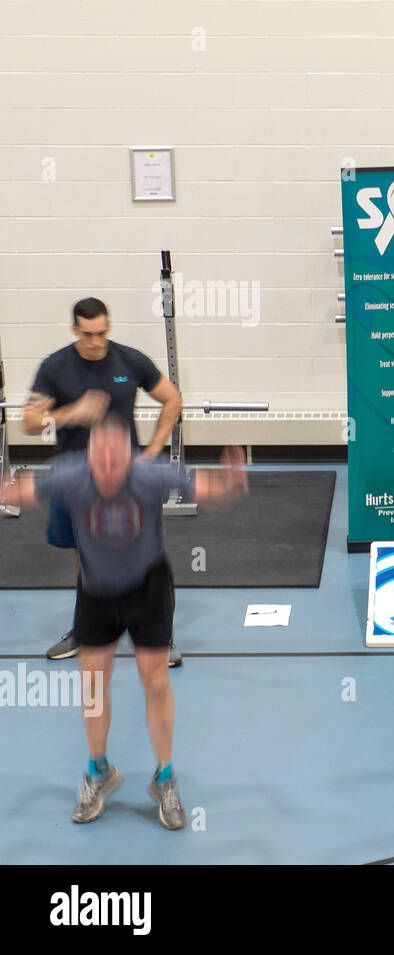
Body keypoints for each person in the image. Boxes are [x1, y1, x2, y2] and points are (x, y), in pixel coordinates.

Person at [0, 415, 247, 828]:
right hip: (96, 590)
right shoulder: (72, 474)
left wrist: (231, 482)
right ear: (91, 457)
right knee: (93, 682)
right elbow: (22, 491)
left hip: (147, 587)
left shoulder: (149, 475)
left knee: (155, 679)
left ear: (130, 458)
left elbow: (203, 488)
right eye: (102, 463)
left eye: (118, 463)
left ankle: (165, 777)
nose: (110, 472)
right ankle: (99, 771)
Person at [23, 297, 184, 664]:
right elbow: (30, 423)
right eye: (88, 334)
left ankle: (162, 638)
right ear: (74, 330)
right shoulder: (55, 367)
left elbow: (172, 400)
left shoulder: (129, 360)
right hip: (77, 482)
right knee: (88, 560)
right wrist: (69, 414)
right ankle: (86, 631)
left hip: (127, 479)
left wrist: (153, 449)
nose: (96, 341)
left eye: (102, 332)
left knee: (147, 555)